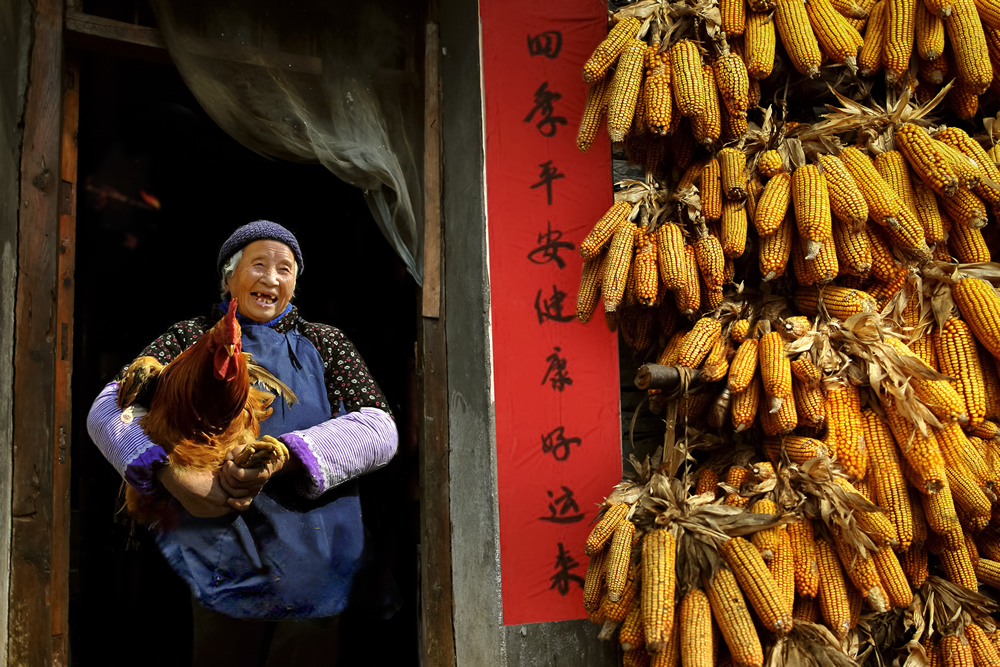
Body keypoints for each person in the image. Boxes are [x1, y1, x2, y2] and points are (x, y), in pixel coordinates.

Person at [86, 220, 398, 665]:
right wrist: (172, 476)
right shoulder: (189, 337)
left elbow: (380, 428)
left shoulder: (325, 343)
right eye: (259, 264)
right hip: (218, 545)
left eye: (285, 269)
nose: (272, 278)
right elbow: (107, 408)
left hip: (314, 543)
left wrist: (285, 456)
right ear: (228, 276)